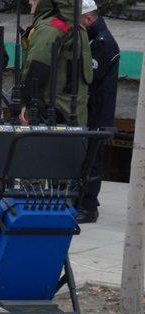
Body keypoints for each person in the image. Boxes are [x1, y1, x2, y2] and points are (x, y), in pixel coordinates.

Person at [77, 0, 120, 223]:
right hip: (92, 109)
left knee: (92, 159)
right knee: (85, 157)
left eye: (79, 21)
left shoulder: (103, 43)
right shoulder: (94, 38)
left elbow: (90, 76)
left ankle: (89, 206)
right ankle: (82, 199)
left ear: (89, 19)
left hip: (98, 111)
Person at [19, 0, 93, 124]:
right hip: (70, 113)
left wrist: (22, 102)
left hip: (51, 113)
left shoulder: (52, 26)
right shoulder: (77, 27)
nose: (29, 1)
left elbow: (38, 67)